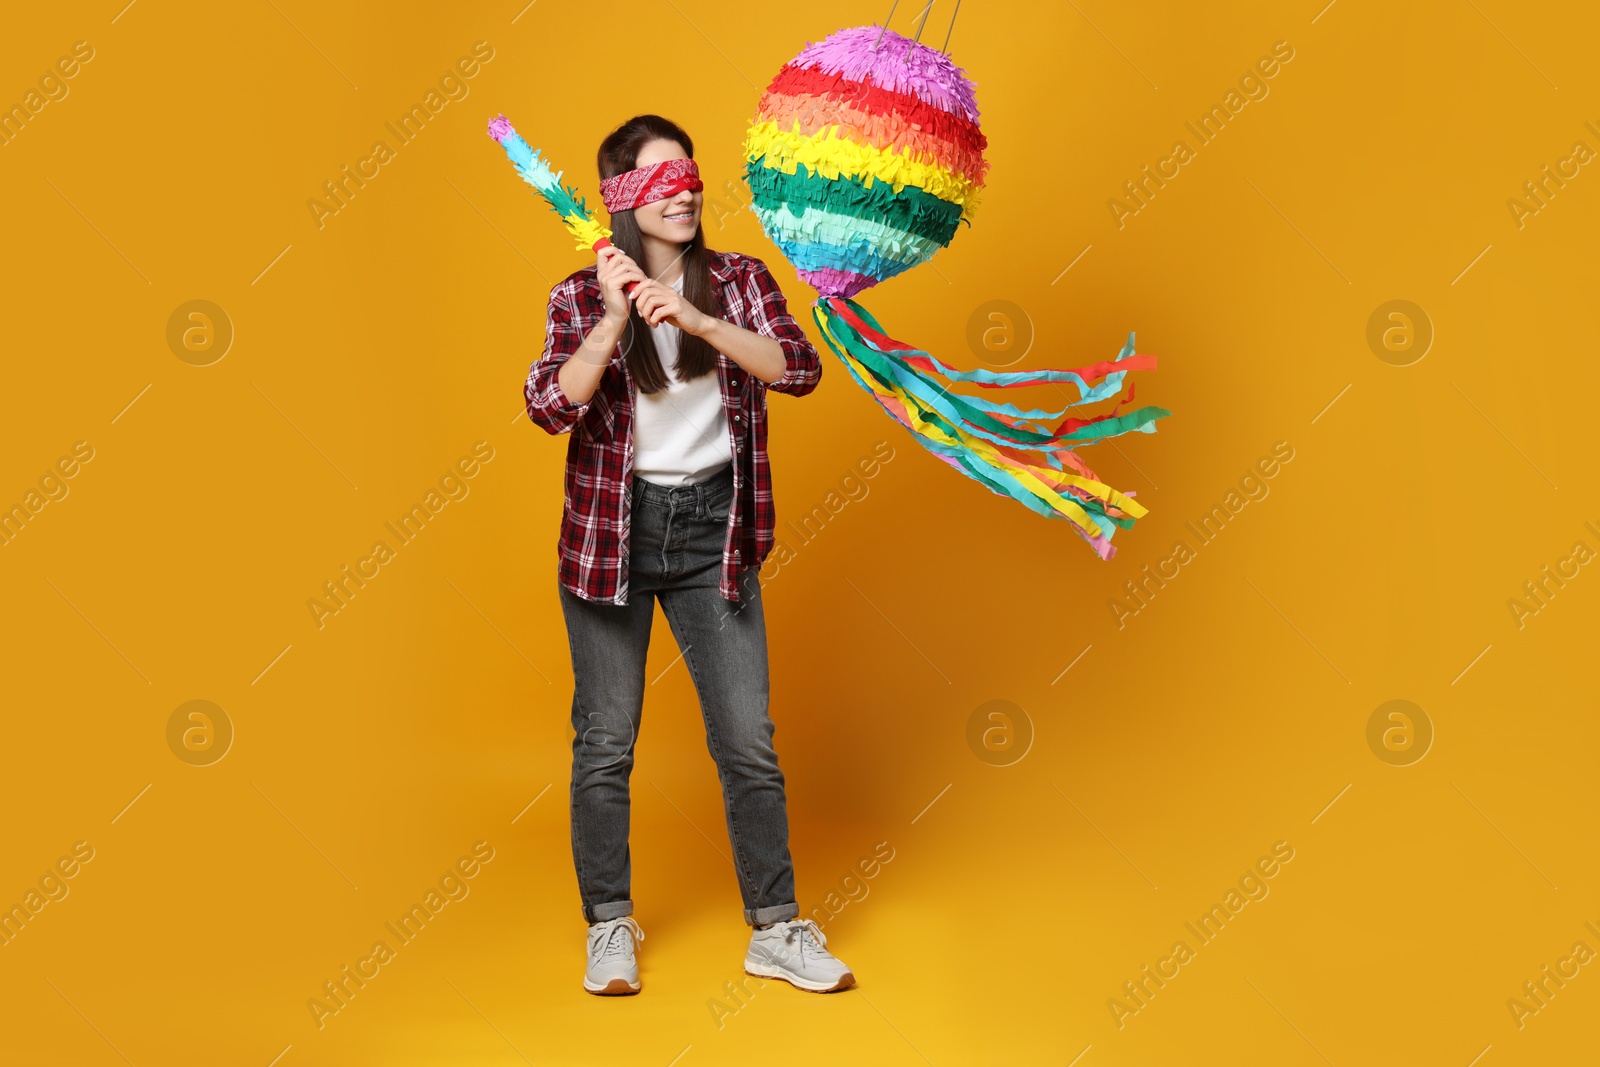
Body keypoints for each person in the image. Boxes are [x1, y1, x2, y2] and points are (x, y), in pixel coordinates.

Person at [523, 114, 854, 997]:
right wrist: (612, 320)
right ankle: (609, 924)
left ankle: (776, 928)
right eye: (661, 179)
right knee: (605, 742)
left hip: (716, 534)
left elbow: (797, 368)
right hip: (612, 536)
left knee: (747, 739)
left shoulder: (738, 280)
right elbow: (549, 406)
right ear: (620, 200)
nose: (685, 191)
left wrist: (700, 321)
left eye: (691, 175)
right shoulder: (575, 295)